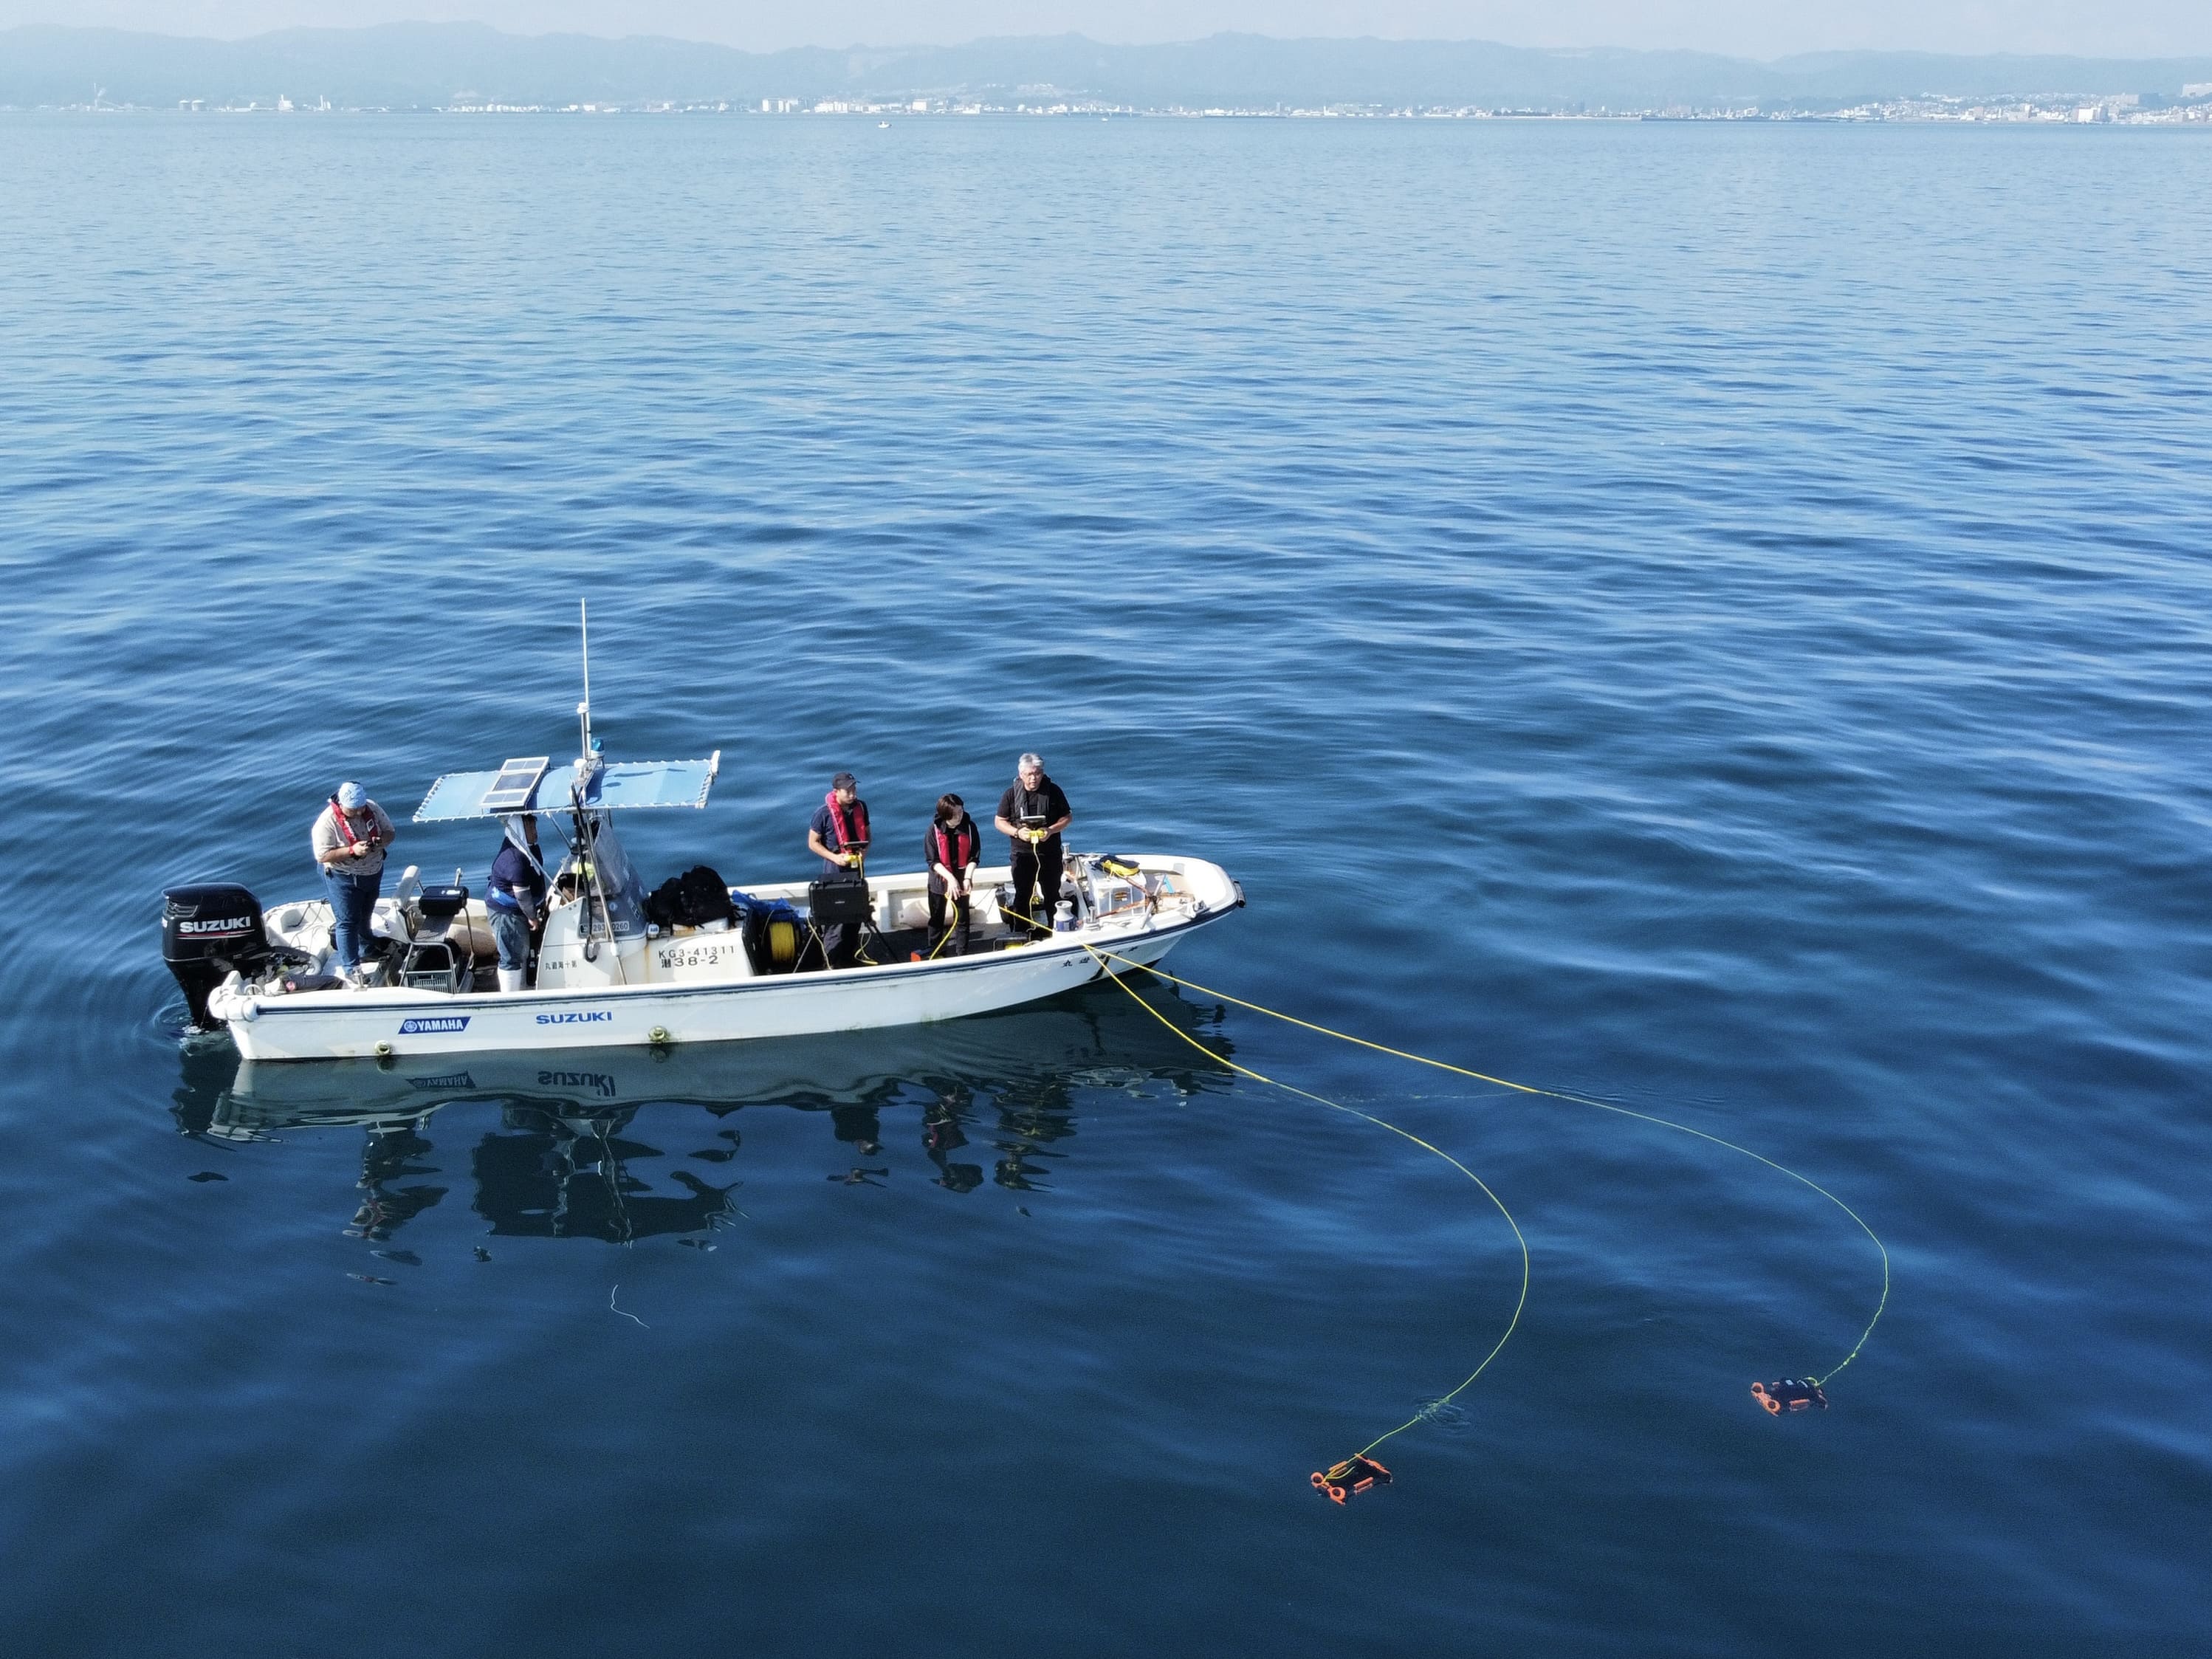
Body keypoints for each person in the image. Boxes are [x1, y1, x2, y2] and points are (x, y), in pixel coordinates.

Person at [312, 780, 397, 981]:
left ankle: (367, 948)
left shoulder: (372, 808)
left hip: (372, 872)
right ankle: (351, 968)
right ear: (341, 805)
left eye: (361, 808)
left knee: (366, 913)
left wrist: (380, 842)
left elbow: (390, 832)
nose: (359, 813)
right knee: (348, 921)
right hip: (343, 878)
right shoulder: (327, 823)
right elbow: (322, 856)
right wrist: (352, 850)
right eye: (353, 809)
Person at [995, 752, 1072, 936]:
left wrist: (1051, 830)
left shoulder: (1054, 791)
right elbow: (999, 821)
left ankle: (1055, 931)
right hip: (1022, 855)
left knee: (1052, 894)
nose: (1033, 778)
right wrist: (1017, 832)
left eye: (1037, 774)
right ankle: (1020, 932)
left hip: (1050, 853)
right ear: (1021, 775)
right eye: (1029, 774)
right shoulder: (1010, 795)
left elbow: (1068, 817)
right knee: (1023, 895)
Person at [805, 771, 870, 967]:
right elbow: (813, 843)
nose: (853, 794)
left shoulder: (861, 807)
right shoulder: (823, 813)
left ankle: (850, 959)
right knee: (836, 921)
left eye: (854, 789)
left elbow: (868, 835)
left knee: (854, 916)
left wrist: (864, 853)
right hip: (835, 869)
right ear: (836, 791)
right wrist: (835, 857)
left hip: (856, 867)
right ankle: (832, 962)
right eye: (848, 790)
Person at [486, 814, 548, 993]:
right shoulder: (515, 861)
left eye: (535, 827)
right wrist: (533, 918)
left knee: (522, 950)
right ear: (520, 829)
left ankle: (524, 984)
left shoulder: (528, 848)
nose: (535, 832)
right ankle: (511, 998)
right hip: (507, 914)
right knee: (511, 955)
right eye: (531, 828)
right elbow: (522, 896)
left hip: (523, 908)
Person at [924, 792, 980, 957]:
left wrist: (968, 878)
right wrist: (950, 879)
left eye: (961, 812)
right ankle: (936, 953)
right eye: (956, 814)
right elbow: (932, 861)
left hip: (963, 878)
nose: (960, 816)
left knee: (962, 919)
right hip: (940, 880)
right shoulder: (932, 831)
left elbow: (974, 857)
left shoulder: (970, 828)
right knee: (936, 919)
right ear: (946, 815)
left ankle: (962, 955)